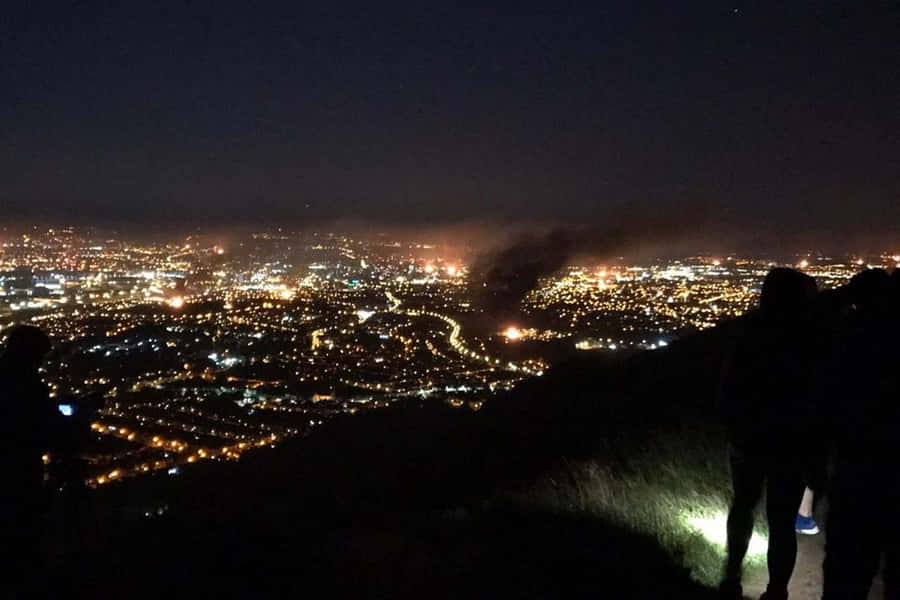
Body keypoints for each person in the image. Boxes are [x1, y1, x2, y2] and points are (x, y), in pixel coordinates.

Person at [718, 267, 822, 600]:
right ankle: (776, 590)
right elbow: (817, 396)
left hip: (750, 438)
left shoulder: (748, 335)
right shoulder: (808, 340)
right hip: (790, 443)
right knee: (781, 520)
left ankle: (731, 578)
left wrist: (735, 426)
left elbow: (728, 389)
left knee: (743, 505)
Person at [821, 268, 899, 599]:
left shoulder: (844, 338)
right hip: (888, 466)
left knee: (847, 566)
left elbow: (825, 403)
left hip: (854, 466)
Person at [0, 325, 57, 586]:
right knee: (23, 541)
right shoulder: (28, 388)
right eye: (39, 357)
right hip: (20, 478)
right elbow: (47, 432)